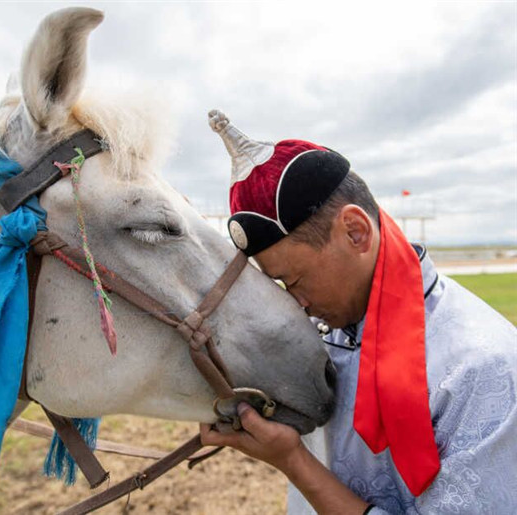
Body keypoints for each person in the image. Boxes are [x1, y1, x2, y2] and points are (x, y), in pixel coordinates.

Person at [200, 110, 517, 514]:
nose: (296, 303)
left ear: (355, 231)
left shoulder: (485, 370)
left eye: (294, 280)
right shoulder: (323, 333)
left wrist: (293, 462)